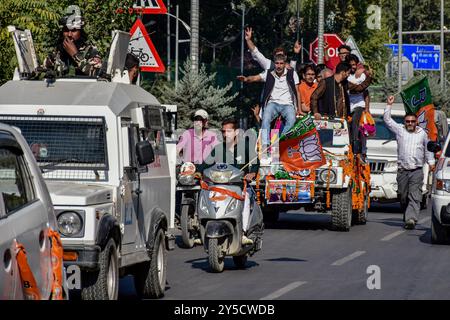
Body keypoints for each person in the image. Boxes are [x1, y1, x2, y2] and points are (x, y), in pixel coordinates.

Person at [200, 119, 259, 245]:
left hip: (239, 187)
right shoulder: (218, 148)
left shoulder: (245, 147)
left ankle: (243, 232)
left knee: (246, 198)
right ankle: (201, 230)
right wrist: (196, 171)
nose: (225, 134)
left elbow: (255, 162)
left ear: (236, 132)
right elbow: (205, 164)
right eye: (223, 131)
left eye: (229, 131)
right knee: (204, 196)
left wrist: (252, 173)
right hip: (219, 187)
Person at [384, 96, 436, 230]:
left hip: (416, 170)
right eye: (408, 121)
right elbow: (388, 120)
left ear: (416, 122)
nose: (410, 123)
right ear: (405, 122)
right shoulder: (400, 130)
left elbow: (428, 148)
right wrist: (389, 105)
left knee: (415, 195)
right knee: (403, 195)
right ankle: (407, 212)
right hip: (402, 170)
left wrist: (431, 162)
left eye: (413, 121)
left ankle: (411, 219)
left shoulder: (422, 134)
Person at [237, 54, 300, 161]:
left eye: (281, 63)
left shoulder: (292, 73)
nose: (279, 66)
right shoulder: (269, 73)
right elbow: (256, 78)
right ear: (274, 64)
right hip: (273, 103)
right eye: (277, 63)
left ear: (285, 64)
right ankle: (265, 145)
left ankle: (281, 142)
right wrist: (246, 79)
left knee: (292, 120)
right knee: (265, 119)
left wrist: (298, 107)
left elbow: (297, 90)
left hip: (287, 104)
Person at [310, 62, 372, 152]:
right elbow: (314, 97)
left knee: (341, 151)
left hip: (341, 124)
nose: (348, 75)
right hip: (327, 123)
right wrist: (315, 112)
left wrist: (368, 77)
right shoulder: (326, 82)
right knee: (326, 149)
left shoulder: (344, 84)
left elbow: (359, 88)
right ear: (343, 72)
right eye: (348, 73)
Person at [44, 9, 102, 77]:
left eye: (74, 30)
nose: (69, 34)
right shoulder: (58, 51)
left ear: (80, 32)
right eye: (66, 30)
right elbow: (45, 69)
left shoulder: (91, 51)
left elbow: (97, 73)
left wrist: (75, 55)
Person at [346, 54, 371, 155]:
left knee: (355, 123)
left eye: (354, 64)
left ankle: (355, 144)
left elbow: (364, 91)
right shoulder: (346, 75)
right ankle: (348, 145)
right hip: (348, 105)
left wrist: (367, 108)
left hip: (359, 104)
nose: (353, 67)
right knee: (347, 125)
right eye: (351, 65)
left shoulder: (362, 75)